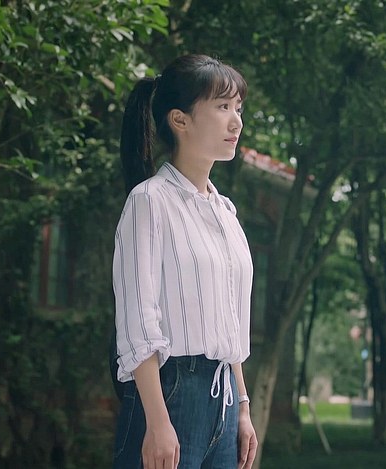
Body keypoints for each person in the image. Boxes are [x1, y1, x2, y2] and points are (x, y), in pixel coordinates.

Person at [112, 54, 257, 469]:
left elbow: (229, 319)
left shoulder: (225, 211)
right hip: (169, 394)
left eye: (238, 108)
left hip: (224, 398)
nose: (236, 121)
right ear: (180, 120)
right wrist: (157, 422)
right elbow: (139, 321)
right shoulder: (149, 202)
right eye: (223, 107)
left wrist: (242, 407)